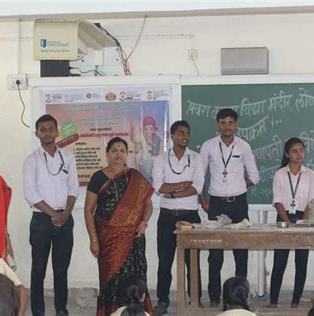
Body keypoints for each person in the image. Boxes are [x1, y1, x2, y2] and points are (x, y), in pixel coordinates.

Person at [84, 137, 154, 316]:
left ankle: (137, 313)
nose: (118, 154)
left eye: (122, 150)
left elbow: (148, 204)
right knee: (111, 279)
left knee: (135, 278)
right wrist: (93, 239)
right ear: (107, 154)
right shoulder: (98, 177)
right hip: (108, 240)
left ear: (127, 154)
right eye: (114, 150)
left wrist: (143, 222)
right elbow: (89, 210)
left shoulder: (135, 176)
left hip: (134, 238)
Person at [200, 108, 260, 307]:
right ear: (218, 124)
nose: (227, 126)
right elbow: (199, 176)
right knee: (214, 255)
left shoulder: (244, 146)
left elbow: (255, 177)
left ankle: (240, 298)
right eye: (223, 122)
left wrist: (239, 186)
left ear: (236, 125)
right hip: (215, 203)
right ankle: (214, 298)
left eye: (231, 122)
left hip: (239, 204)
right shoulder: (208, 146)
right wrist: (203, 200)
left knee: (240, 253)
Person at [23, 114, 79, 316]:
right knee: (38, 270)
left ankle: (61, 309)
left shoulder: (69, 158)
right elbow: (30, 193)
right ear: (37, 133)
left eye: (50, 129)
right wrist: (53, 214)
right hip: (41, 221)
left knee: (61, 270)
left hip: (65, 218)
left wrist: (65, 213)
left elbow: (74, 188)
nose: (47, 133)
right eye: (43, 129)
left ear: (56, 132)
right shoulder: (31, 161)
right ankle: (38, 311)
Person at [151, 120, 204, 315]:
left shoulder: (196, 158)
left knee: (193, 261)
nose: (185, 136)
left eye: (187, 133)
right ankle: (163, 301)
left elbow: (197, 187)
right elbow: (158, 187)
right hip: (167, 217)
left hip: (190, 217)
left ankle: (195, 299)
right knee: (165, 261)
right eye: (180, 133)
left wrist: (172, 193)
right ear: (171, 136)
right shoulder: (160, 160)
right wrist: (183, 184)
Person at [269, 137, 314, 308]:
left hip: (303, 217)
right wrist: (287, 223)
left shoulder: (310, 174)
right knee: (279, 262)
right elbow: (277, 201)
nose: (299, 154)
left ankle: (295, 302)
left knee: (301, 262)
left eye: (301, 150)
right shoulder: (280, 174)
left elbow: (312, 201)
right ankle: (273, 301)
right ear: (287, 154)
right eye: (294, 151)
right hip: (283, 218)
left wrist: (302, 222)